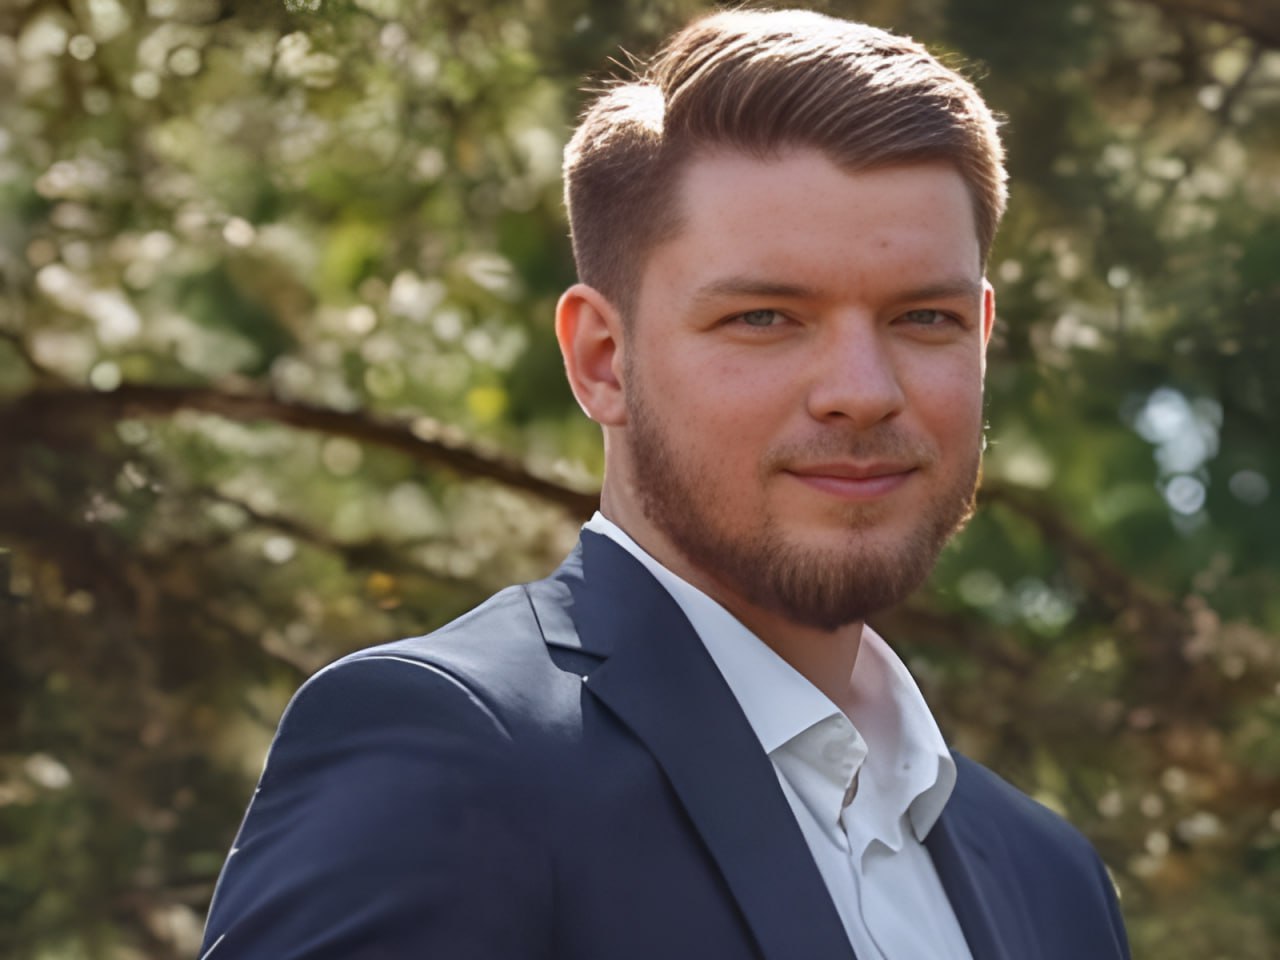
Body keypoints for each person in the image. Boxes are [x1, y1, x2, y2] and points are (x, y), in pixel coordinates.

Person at [199, 9, 1131, 959]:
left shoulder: (1051, 882)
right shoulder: (451, 755)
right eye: (765, 317)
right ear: (603, 360)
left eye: (924, 318)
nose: (862, 391)